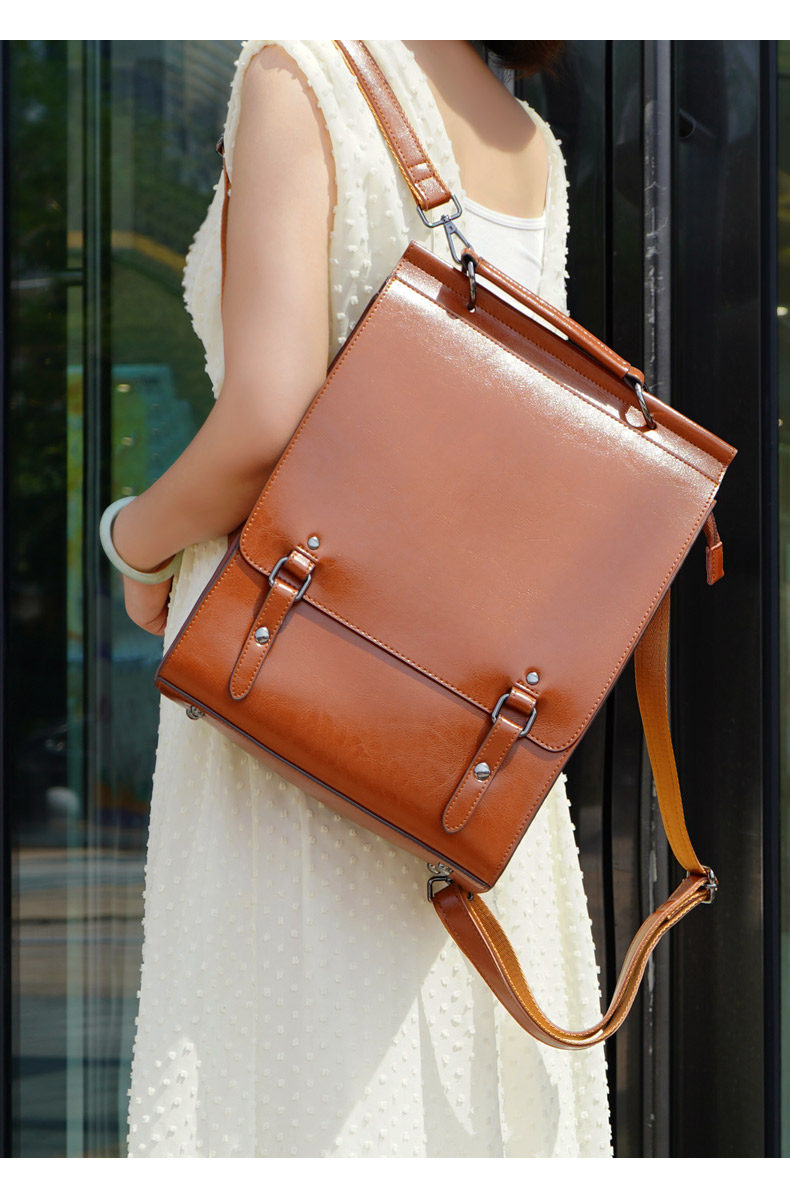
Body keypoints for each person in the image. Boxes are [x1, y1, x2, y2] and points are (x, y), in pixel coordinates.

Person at [113, 39, 611, 1158]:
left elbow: (264, 422)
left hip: (291, 675)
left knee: (290, 1068)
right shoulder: (526, 136)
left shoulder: (299, 70)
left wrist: (131, 543)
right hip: (464, 716)